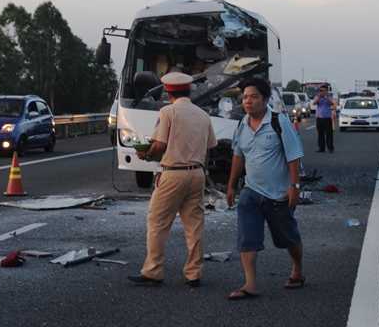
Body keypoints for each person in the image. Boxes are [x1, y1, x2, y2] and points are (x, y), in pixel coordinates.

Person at [128, 72, 217, 287]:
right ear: (189, 91)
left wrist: (146, 154)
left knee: (157, 222)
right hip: (197, 173)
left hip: (173, 172)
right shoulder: (203, 115)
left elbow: (159, 145)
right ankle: (194, 273)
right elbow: (209, 148)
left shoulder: (167, 112)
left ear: (168, 94)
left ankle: (153, 270)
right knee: (194, 225)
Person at [225, 77, 305, 300]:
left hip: (279, 193)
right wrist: (231, 186)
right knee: (247, 236)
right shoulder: (242, 124)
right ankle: (250, 284)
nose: (248, 102)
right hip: (251, 191)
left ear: (266, 99)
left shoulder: (280, 123)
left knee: (288, 237)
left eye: (253, 97)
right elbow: (238, 156)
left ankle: (297, 267)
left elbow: (294, 156)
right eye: (244, 98)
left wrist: (294, 187)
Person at [312, 85, 334, 152]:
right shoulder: (317, 97)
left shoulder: (329, 97)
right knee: (320, 133)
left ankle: (330, 148)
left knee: (329, 133)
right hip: (319, 117)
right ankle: (321, 147)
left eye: (324, 90)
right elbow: (314, 103)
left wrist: (324, 97)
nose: (323, 92)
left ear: (327, 91)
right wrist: (319, 97)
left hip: (327, 117)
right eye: (322, 90)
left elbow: (331, 103)